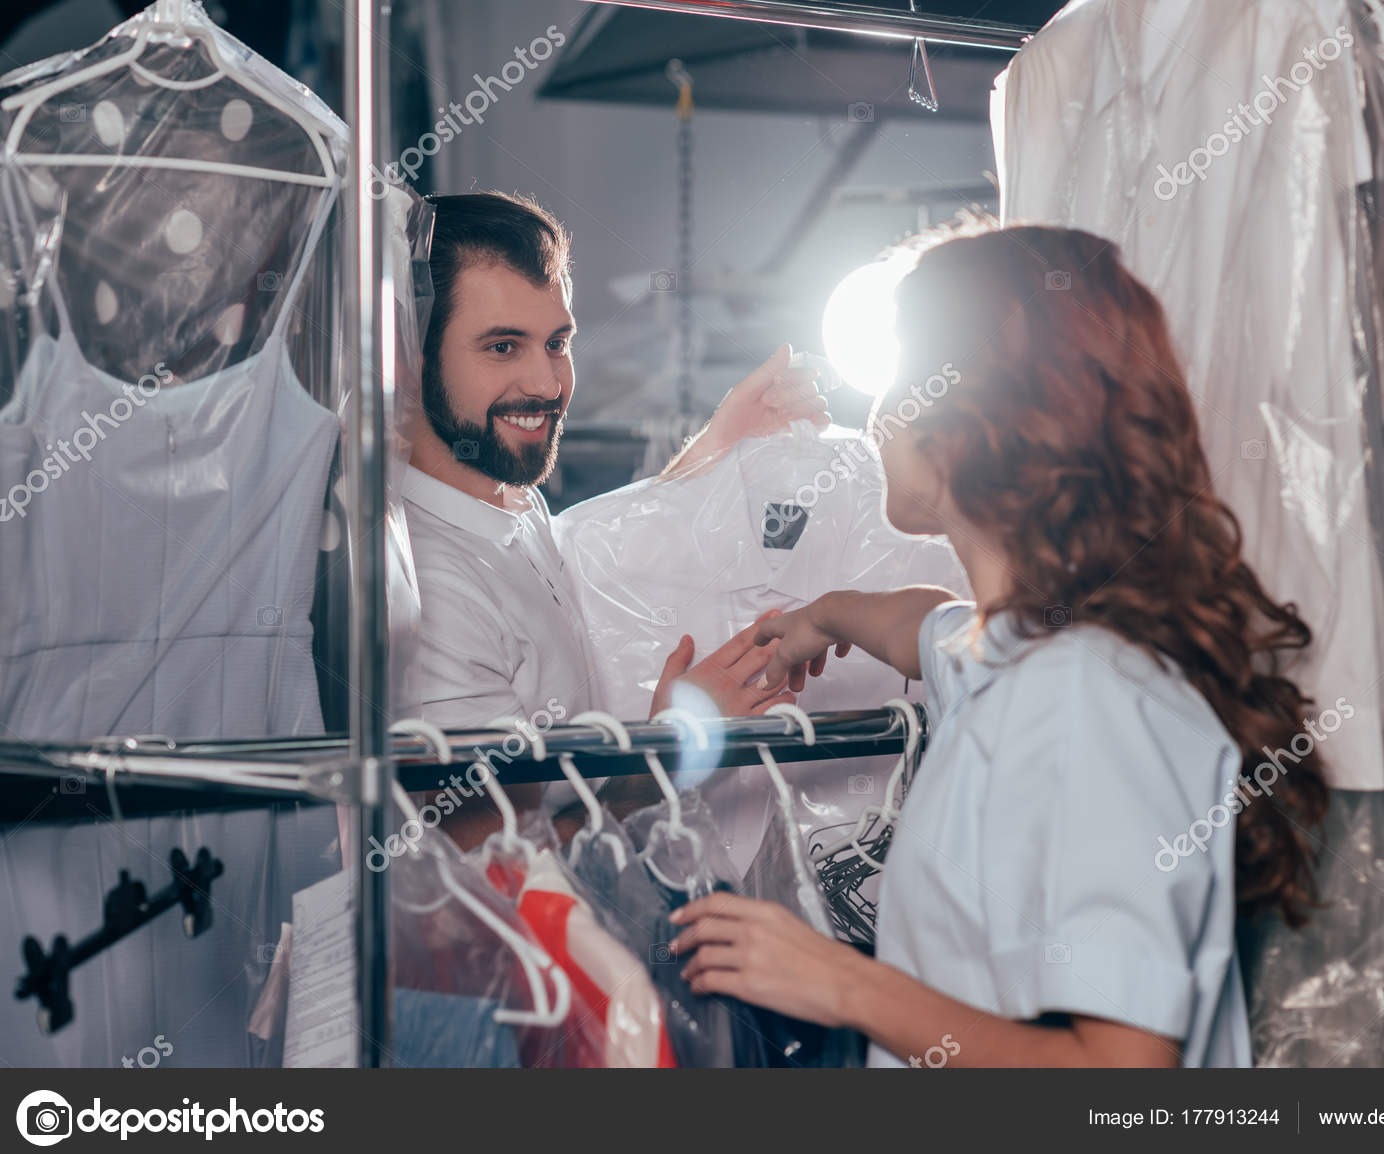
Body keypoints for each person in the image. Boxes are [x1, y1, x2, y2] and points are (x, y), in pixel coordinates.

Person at [669, 221, 1332, 1067]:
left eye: (906, 375)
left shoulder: (1087, 694)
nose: (878, 414)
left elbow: (1124, 1074)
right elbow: (925, 626)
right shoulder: (1019, 652)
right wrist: (830, 614)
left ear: (981, 418)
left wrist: (840, 983)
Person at [401, 190, 827, 833]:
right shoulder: (432, 594)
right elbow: (496, 887)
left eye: (557, 342)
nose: (547, 384)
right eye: (502, 347)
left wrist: (718, 449)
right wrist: (671, 751)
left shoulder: (501, 493)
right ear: (412, 354)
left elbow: (597, 545)